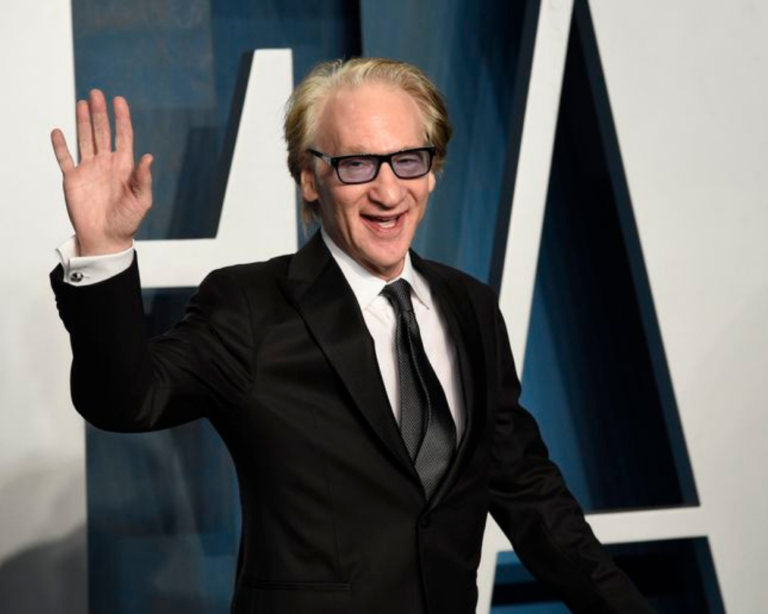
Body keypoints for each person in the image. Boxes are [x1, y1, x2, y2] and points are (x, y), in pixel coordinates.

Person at [50, 58, 651, 613]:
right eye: (356, 164)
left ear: (433, 171)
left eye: (409, 160)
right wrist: (104, 251)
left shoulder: (471, 306)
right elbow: (125, 400)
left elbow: (530, 496)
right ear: (310, 178)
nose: (388, 192)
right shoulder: (251, 306)